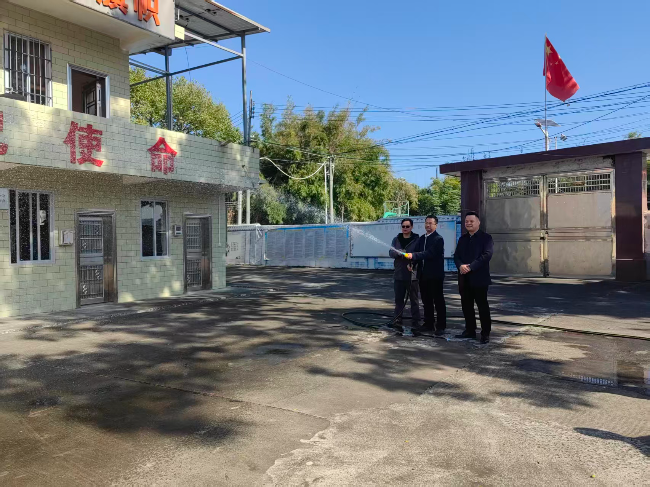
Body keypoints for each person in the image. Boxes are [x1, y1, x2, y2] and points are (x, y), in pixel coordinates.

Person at [453, 211, 494, 344]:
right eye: (466, 221)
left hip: (479, 277)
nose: (468, 223)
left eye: (471, 221)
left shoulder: (486, 238)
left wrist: (471, 267)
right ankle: (470, 330)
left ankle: (485, 333)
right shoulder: (463, 239)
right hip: (464, 278)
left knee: (482, 306)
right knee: (466, 305)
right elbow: (456, 255)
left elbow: (487, 255)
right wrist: (460, 266)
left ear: (478, 222)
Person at [405, 215, 447, 337]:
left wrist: (414, 256)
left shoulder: (438, 239)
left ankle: (441, 326)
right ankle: (429, 323)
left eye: (430, 223)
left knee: (438, 301)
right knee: (426, 300)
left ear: (436, 225)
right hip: (423, 275)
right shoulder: (422, 238)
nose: (428, 225)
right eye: (426, 223)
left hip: (435, 275)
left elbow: (429, 253)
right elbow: (418, 253)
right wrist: (412, 264)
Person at [389, 218, 420, 337]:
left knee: (414, 300)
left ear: (411, 227)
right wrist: (398, 252)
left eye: (407, 226)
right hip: (399, 274)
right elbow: (391, 253)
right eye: (403, 226)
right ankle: (397, 320)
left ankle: (416, 322)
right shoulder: (396, 239)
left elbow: (420, 254)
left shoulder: (417, 240)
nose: (405, 228)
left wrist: (413, 262)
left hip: (412, 275)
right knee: (398, 300)